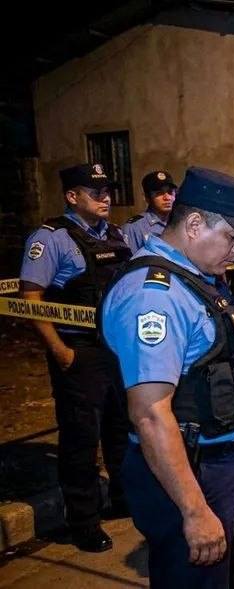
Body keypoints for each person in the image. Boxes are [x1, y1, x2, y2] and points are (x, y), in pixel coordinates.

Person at [100, 167, 234, 587]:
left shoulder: (196, 277)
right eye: (232, 237)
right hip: (188, 472)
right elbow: (150, 414)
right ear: (194, 225)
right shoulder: (153, 296)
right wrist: (194, 510)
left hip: (216, 462)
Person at [18, 164, 132, 552]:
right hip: (78, 352)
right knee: (82, 438)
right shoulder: (51, 238)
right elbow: (30, 297)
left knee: (120, 428)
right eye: (96, 193)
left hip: (115, 350)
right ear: (72, 197)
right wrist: (61, 352)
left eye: (107, 192)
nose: (106, 199)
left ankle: (122, 498)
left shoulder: (115, 235)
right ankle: (83, 521)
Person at [122, 170, 178, 251]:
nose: (167, 198)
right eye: (159, 193)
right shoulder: (134, 228)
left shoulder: (179, 222)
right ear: (147, 197)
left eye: (170, 192)